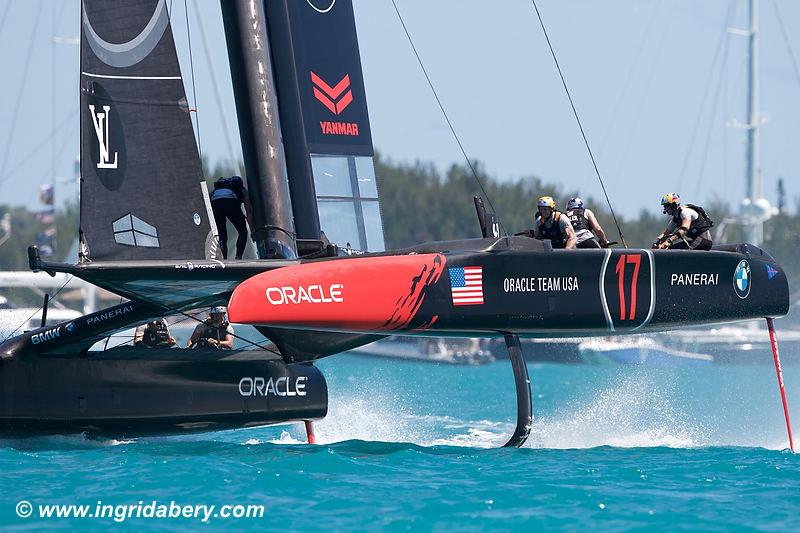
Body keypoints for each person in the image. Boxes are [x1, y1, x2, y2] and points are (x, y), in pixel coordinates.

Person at [210, 175, 253, 260]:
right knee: (243, 232)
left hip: (215, 203)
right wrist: (251, 228)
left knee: (222, 235)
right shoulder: (242, 190)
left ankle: (223, 259)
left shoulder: (217, 188)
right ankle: (238, 257)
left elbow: (208, 200)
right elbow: (249, 211)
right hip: (231, 203)